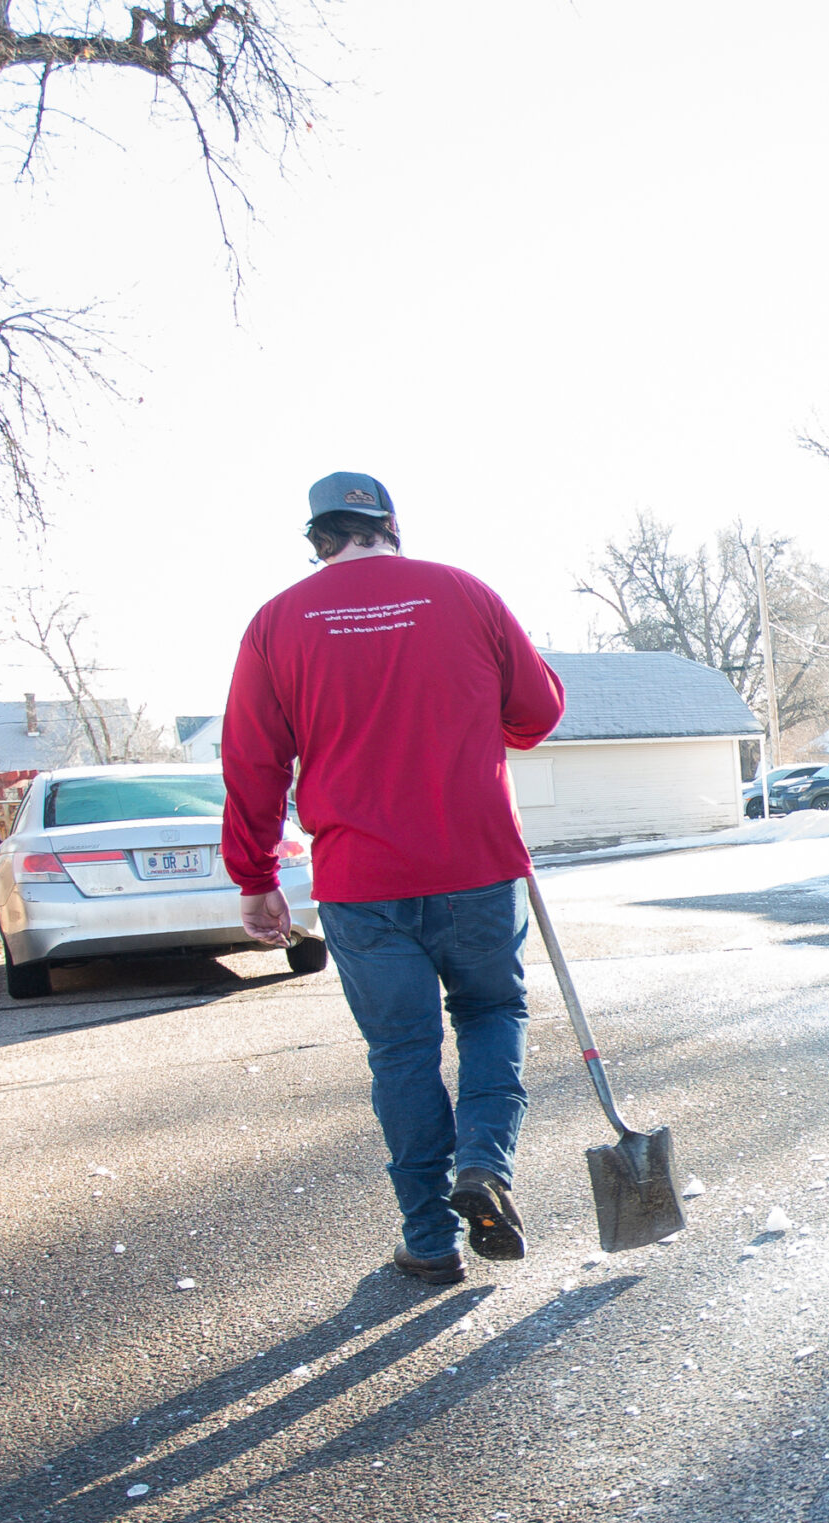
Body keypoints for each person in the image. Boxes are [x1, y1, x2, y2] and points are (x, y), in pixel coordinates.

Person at [221, 473, 566, 1285]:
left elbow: (251, 760)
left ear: (318, 540)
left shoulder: (276, 623)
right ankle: (484, 1162)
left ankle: (431, 1238)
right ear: (392, 527)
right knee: (490, 1011)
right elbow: (539, 711)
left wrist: (256, 874)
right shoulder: (464, 594)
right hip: (476, 861)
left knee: (402, 1052)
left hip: (361, 879)